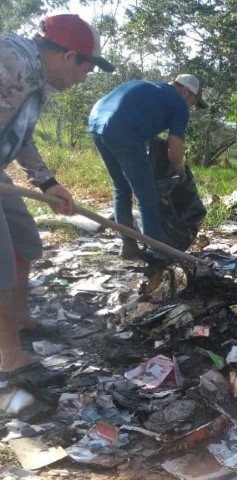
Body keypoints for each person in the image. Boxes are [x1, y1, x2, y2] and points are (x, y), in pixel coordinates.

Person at [0, 14, 114, 380]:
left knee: (25, 243)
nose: (84, 78)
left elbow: (20, 137)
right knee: (0, 262)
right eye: (87, 69)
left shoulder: (36, 81)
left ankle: (20, 320)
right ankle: (9, 356)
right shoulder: (11, 61)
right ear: (69, 57)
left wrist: (47, 183)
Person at [88, 74, 207, 262]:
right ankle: (156, 252)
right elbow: (175, 154)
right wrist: (181, 171)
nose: (192, 106)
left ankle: (128, 246)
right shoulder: (179, 105)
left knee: (121, 188)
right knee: (147, 196)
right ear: (185, 91)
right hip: (121, 128)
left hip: (96, 121)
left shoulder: (151, 88)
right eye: (193, 100)